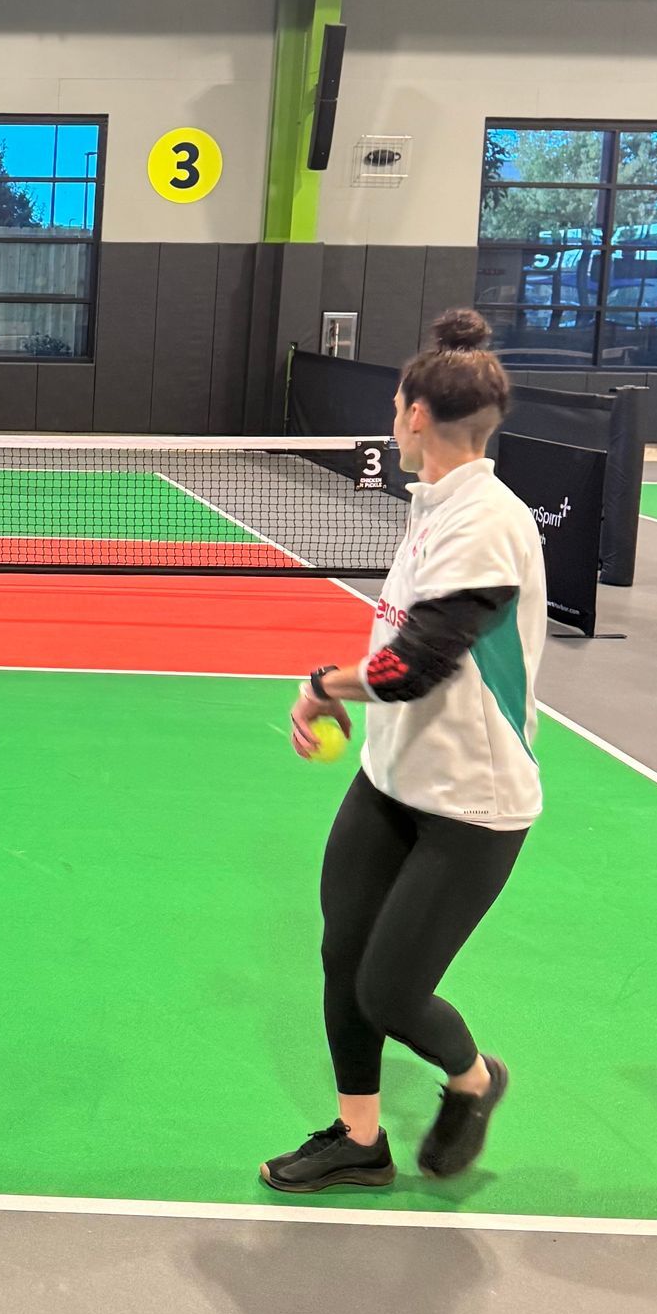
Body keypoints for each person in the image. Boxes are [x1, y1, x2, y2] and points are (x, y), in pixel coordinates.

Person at [263, 309, 546, 1195]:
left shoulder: (488, 523)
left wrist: (321, 683)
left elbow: (414, 664)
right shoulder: (434, 505)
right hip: (391, 779)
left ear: (416, 415)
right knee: (343, 954)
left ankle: (473, 1079)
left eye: (397, 401)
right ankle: (360, 1137)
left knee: (390, 991)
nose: (393, 412)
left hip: (471, 805)